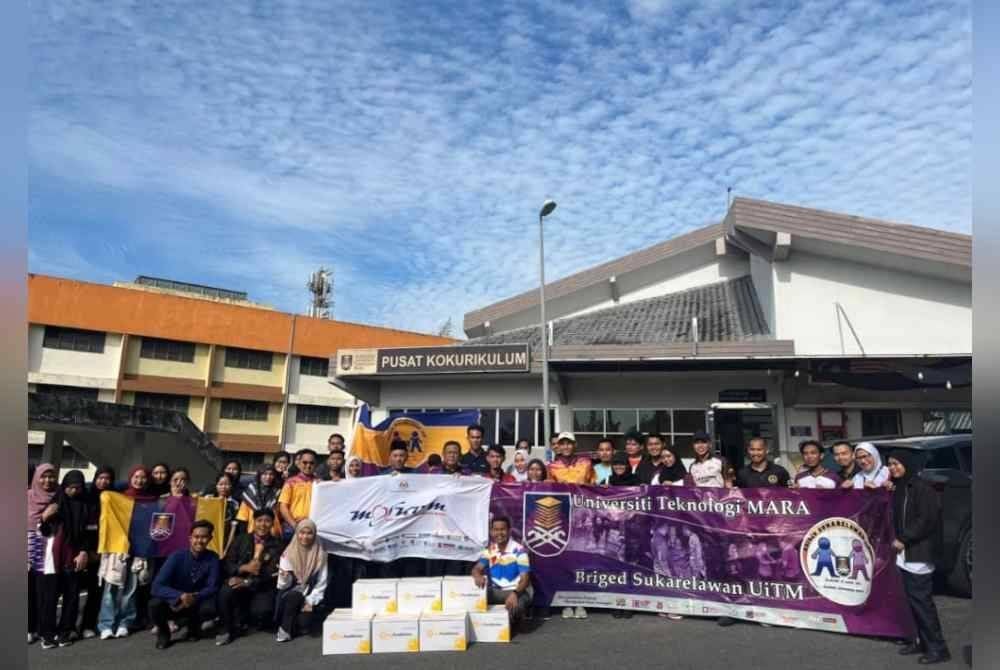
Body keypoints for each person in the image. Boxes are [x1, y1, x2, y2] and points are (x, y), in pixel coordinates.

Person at [887, 450, 951, 664]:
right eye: (890, 464)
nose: (893, 468)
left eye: (897, 463)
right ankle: (920, 641)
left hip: (918, 551)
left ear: (907, 463)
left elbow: (926, 520)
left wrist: (904, 539)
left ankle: (938, 648)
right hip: (905, 553)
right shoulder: (901, 487)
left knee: (922, 602)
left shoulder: (922, 487)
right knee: (911, 602)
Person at [97, 465, 157, 640]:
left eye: (143, 477)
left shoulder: (152, 500)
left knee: (131, 589)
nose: (140, 480)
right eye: (136, 476)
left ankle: (125, 622)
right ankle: (106, 624)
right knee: (111, 587)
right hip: (118, 550)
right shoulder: (119, 498)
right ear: (130, 478)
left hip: (139, 550)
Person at [33, 469, 90, 648]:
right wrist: (44, 517)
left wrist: (83, 552)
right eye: (70, 488)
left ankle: (65, 631)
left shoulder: (85, 505)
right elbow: (42, 532)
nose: (73, 491)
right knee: (49, 597)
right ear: (64, 486)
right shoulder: (55, 503)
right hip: (52, 558)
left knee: (72, 596)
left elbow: (88, 533)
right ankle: (47, 634)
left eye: (77, 488)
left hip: (73, 556)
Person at [149, 520, 220, 650]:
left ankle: (193, 628)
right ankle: (164, 633)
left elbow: (213, 586)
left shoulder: (213, 558)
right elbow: (157, 586)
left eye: (204, 537)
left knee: (209, 607)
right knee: (155, 604)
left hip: (197, 601)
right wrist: (180, 596)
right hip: (175, 602)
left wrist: (195, 596)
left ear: (210, 539)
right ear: (190, 538)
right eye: (196, 537)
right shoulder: (176, 557)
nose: (199, 541)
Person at [215, 509, 281, 646]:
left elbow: (272, 572)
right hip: (237, 580)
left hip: (261, 585)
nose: (263, 525)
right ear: (253, 522)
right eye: (259, 521)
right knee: (225, 592)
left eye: (267, 521)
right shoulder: (240, 539)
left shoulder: (278, 544)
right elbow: (227, 563)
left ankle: (244, 617)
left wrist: (248, 581)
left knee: (262, 613)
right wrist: (242, 568)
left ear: (272, 524)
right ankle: (225, 629)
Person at [472, 517, 532, 632]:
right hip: (495, 591)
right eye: (496, 529)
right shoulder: (491, 550)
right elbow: (476, 568)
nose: (499, 533)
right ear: (491, 532)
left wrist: (514, 594)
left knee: (517, 606)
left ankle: (515, 619)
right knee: (473, 600)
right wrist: (477, 575)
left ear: (509, 531)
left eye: (503, 529)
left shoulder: (519, 550)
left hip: (516, 591)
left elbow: (525, 579)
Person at [274, 519, 328, 642]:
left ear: (314, 535)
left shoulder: (320, 555)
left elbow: (321, 583)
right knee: (295, 595)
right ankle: (285, 630)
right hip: (288, 595)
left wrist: (310, 601)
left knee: (305, 624)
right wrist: (284, 577)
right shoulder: (288, 554)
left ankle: (293, 625)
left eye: (309, 533)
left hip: (308, 595)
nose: (305, 536)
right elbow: (282, 586)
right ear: (297, 533)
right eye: (301, 533)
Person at [79, 465, 115, 639]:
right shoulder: (86, 497)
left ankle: (89, 624)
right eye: (100, 477)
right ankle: (70, 626)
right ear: (94, 478)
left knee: (96, 591)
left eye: (107, 478)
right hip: (84, 550)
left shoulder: (114, 497)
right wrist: (87, 549)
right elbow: (83, 526)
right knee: (73, 591)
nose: (104, 481)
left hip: (105, 551)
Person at [277, 449, 318, 541]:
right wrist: (294, 525)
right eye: (305, 462)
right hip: (293, 528)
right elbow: (283, 506)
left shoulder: (319, 484)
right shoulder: (290, 482)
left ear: (315, 465)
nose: (308, 465)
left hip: (313, 528)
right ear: (299, 463)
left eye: (311, 463)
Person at [237, 464, 282, 537]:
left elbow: (280, 515)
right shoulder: (250, 493)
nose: (268, 477)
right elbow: (243, 518)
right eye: (264, 474)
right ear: (259, 475)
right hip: (253, 532)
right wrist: (244, 537)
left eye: (271, 474)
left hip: (273, 533)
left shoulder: (278, 493)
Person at [207, 472, 242, 548]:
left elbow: (234, 527)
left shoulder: (235, 503)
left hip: (226, 538)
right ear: (216, 485)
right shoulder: (209, 499)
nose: (223, 487)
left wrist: (227, 548)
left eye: (227, 484)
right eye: (220, 484)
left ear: (231, 486)